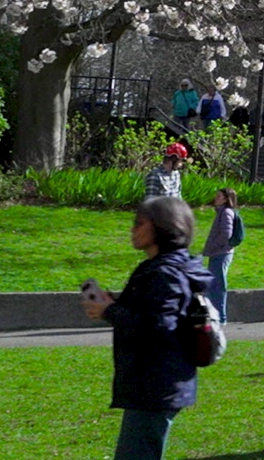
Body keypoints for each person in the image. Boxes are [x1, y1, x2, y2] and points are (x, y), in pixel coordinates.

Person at [80, 195, 212, 460]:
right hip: (157, 383)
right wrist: (116, 305)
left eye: (139, 223)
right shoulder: (165, 268)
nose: (132, 229)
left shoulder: (165, 273)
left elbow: (158, 326)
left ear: (162, 227)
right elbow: (153, 312)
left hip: (156, 384)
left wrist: (109, 311)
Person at [198, 188, 242, 324]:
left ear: (226, 199)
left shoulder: (226, 213)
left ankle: (220, 318)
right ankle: (215, 317)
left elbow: (225, 235)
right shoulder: (222, 212)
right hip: (218, 253)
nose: (216, 198)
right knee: (214, 285)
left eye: (219, 196)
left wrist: (213, 247)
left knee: (217, 286)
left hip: (221, 254)